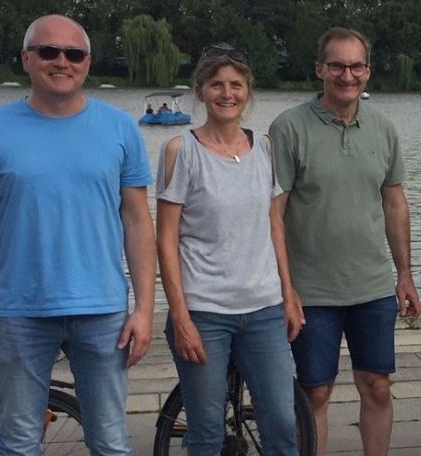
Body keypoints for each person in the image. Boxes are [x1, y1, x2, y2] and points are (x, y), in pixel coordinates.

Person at [0, 14, 155, 455]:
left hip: (102, 309)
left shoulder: (120, 129)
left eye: (73, 54)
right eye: (48, 51)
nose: (62, 62)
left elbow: (137, 221)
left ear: (88, 62)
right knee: (18, 441)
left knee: (111, 441)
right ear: (26, 59)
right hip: (18, 311)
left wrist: (146, 307)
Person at [269, 27, 420, 456]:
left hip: (371, 286)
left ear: (368, 72)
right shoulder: (288, 128)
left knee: (376, 385)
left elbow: (394, 204)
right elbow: (273, 214)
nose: (346, 75)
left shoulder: (384, 129)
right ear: (320, 69)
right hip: (310, 289)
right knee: (314, 392)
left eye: (355, 66)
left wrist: (405, 274)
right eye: (336, 65)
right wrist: (285, 288)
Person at [156, 44, 304, 455]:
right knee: (205, 432)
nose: (227, 93)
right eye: (216, 85)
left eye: (236, 85)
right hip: (205, 312)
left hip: (263, 309)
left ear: (248, 91)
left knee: (282, 422)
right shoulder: (179, 151)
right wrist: (180, 316)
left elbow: (274, 224)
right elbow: (165, 239)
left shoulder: (266, 148)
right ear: (200, 91)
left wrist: (288, 294)